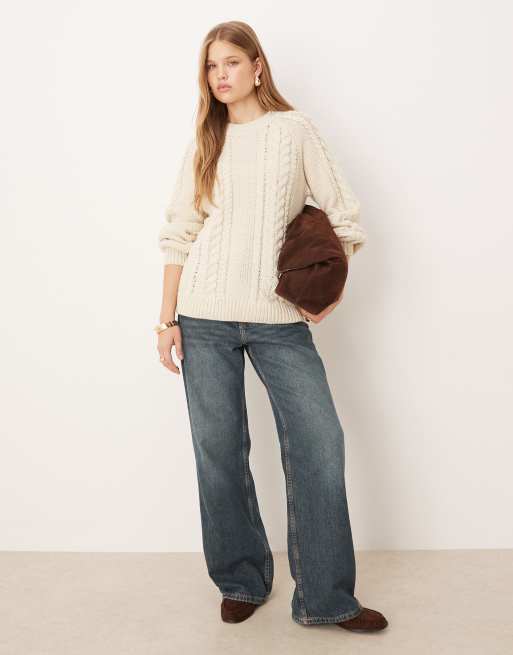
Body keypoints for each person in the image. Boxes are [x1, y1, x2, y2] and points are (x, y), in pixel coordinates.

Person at [155, 20, 388, 633]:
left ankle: (326, 598)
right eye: (211, 66)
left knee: (319, 443)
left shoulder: (293, 130)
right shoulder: (206, 140)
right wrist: (166, 320)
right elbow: (179, 233)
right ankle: (241, 579)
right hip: (203, 317)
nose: (221, 75)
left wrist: (328, 293)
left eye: (231, 62)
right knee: (219, 452)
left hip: (279, 320)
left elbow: (344, 217)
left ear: (257, 66)